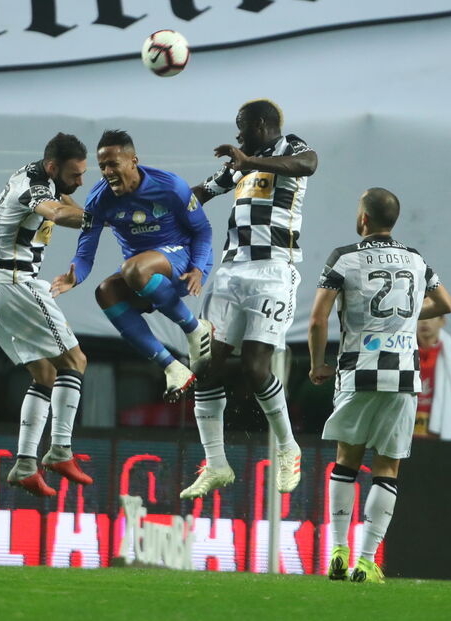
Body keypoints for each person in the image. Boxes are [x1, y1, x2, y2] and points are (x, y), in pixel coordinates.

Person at [307, 188, 451, 583]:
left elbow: (318, 319)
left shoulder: (345, 258)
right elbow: (445, 304)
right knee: (387, 466)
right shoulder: (415, 259)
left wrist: (318, 364)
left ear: (363, 220)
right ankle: (367, 561)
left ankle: (338, 550)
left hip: (358, 371)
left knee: (346, 459)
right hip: (403, 375)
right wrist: (407, 319)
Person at [179, 99, 318, 499]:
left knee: (257, 368)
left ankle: (289, 448)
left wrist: (250, 162)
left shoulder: (289, 147)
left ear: (261, 124)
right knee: (204, 364)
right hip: (231, 272)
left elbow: (308, 164)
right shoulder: (242, 163)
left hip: (273, 271)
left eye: (242, 127)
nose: (238, 135)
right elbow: (201, 193)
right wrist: (152, 199)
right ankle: (216, 463)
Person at [51, 130, 214, 402]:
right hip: (144, 272)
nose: (107, 171)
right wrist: (75, 277)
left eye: (113, 164)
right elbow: (85, 251)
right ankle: (173, 368)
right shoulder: (99, 199)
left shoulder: (171, 186)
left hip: (185, 261)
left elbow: (203, 231)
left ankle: (195, 329)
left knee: (133, 269)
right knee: (105, 292)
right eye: (102, 166)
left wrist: (197, 267)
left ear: (133, 161)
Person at [0, 133, 94, 497]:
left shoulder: (41, 179)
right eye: (75, 175)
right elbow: (59, 212)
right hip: (15, 285)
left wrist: (94, 216)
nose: (80, 181)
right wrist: (105, 218)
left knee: (45, 372)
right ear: (52, 167)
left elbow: (68, 203)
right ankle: (60, 450)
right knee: (75, 360)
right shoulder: (32, 187)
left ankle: (25, 464)